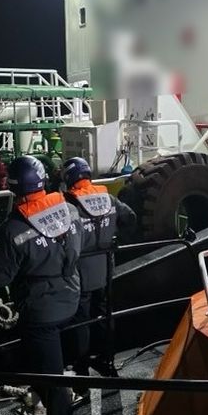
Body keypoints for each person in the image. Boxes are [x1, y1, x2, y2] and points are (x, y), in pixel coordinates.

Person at [0, 156, 83, 415]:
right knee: (49, 364)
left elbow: (0, 279)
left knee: (52, 380)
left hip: (41, 311)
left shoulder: (12, 229)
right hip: (72, 297)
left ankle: (59, 412)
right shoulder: (69, 209)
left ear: (13, 186)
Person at [61, 157, 136, 388]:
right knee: (104, 315)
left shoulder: (68, 204)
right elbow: (130, 218)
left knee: (80, 321)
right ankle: (107, 361)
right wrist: (116, 240)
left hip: (79, 274)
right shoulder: (108, 198)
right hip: (105, 270)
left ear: (69, 178)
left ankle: (81, 370)